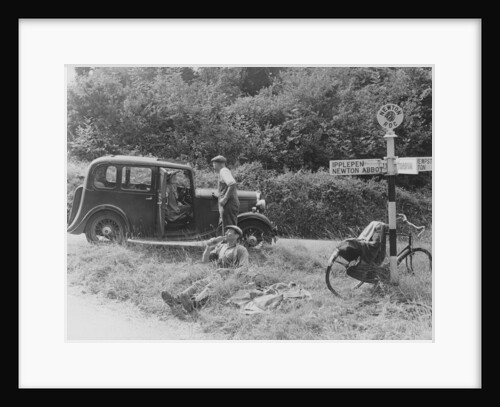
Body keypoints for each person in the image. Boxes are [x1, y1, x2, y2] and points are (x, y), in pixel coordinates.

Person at [161, 225, 249, 313]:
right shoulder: (221, 247)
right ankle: (176, 301)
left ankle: (193, 305)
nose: (226, 233)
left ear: (236, 236)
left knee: (210, 287)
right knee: (198, 284)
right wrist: (208, 247)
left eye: (229, 231)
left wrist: (227, 271)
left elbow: (244, 268)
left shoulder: (241, 249)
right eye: (226, 231)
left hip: (231, 279)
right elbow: (205, 260)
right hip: (218, 276)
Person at [211, 155, 240, 235]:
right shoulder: (223, 171)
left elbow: (232, 184)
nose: (213, 166)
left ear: (216, 164)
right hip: (227, 205)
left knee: (229, 229)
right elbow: (226, 186)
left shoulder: (223, 171)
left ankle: (230, 246)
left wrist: (225, 198)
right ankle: (224, 245)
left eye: (213, 164)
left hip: (229, 204)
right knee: (224, 228)